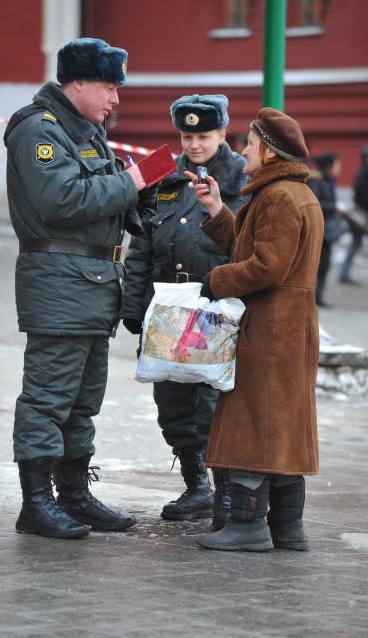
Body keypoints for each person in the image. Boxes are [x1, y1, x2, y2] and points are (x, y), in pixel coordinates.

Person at [4, 38, 147, 539]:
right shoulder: (38, 130)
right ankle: (37, 504)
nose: (115, 99)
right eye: (109, 87)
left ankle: (75, 495)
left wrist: (150, 194)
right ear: (77, 83)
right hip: (60, 284)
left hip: (93, 287)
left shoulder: (85, 132)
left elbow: (106, 199)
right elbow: (61, 199)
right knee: (48, 398)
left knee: (83, 400)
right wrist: (134, 181)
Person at [185, 107, 323, 552]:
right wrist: (218, 211)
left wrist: (214, 281)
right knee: (282, 427)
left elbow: (268, 266)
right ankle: (287, 528)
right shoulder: (288, 194)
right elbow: (255, 248)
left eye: (250, 143)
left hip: (270, 330)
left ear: (270, 150)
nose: (243, 150)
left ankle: (247, 528)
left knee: (254, 425)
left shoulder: (281, 196)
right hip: (285, 328)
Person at [122, 94, 248, 524]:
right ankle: (197, 488)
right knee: (172, 403)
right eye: (187, 135)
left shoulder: (244, 182)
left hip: (218, 309)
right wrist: (133, 307)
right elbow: (140, 248)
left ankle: (227, 494)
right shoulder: (163, 180)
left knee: (214, 403)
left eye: (204, 136)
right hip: (167, 309)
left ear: (222, 133)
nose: (194, 144)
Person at [307, 152, 343, 307]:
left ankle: (318, 296)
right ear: (329, 166)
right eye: (337, 164)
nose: (339, 168)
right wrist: (334, 207)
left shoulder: (329, 180)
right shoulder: (316, 181)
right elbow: (316, 204)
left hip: (327, 230)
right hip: (319, 229)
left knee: (325, 264)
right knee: (317, 265)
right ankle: (312, 297)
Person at [338, 144, 368, 284]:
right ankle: (344, 274)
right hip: (362, 215)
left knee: (354, 244)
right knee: (354, 244)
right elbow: (361, 194)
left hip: (362, 214)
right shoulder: (364, 172)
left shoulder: (362, 171)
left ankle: (344, 273)